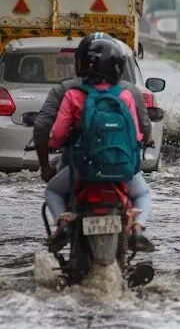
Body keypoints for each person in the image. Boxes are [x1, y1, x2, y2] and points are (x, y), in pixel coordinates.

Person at [43, 35, 155, 253]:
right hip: (122, 169)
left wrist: (52, 144)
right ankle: (137, 230)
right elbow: (137, 135)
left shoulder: (74, 95)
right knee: (143, 194)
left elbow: (57, 134)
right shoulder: (125, 95)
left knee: (52, 192)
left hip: (84, 169)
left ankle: (64, 225)